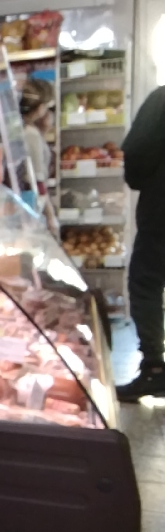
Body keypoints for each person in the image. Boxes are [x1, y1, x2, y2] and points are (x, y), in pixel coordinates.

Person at [116, 86, 165, 401]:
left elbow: (137, 150)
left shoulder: (162, 100)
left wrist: (141, 178)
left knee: (146, 283)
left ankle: (155, 369)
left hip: (162, 213)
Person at [19, 79, 58, 232]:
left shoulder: (24, 129)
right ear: (41, 109)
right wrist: (50, 216)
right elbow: (37, 182)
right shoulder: (31, 134)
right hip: (31, 208)